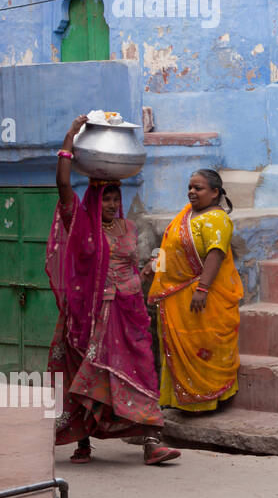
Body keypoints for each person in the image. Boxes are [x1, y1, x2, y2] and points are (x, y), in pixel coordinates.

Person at [47, 114, 181, 465]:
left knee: (140, 370)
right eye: (105, 198)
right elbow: (63, 187)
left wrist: (146, 272)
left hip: (129, 313)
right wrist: (69, 138)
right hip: (89, 316)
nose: (110, 204)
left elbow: (126, 265)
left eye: (114, 198)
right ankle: (83, 440)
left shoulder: (128, 228)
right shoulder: (79, 222)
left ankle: (152, 441)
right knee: (87, 374)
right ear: (95, 198)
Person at [148, 169, 243, 412]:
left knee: (205, 346)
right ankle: (177, 399)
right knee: (177, 349)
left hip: (204, 297)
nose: (191, 192)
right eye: (190, 187)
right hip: (176, 297)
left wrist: (203, 288)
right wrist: (153, 268)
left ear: (214, 193)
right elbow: (169, 246)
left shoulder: (217, 219)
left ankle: (207, 400)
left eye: (198, 188)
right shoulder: (186, 215)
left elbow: (216, 253)